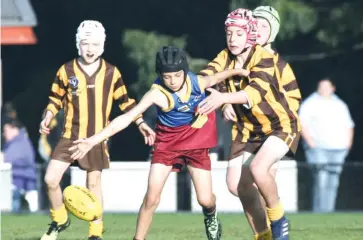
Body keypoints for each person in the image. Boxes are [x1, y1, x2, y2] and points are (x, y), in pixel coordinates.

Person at [69, 46, 249, 240]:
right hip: (166, 145)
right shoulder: (156, 94)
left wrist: (241, 71)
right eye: (167, 76)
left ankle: (211, 214)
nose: (172, 81)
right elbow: (127, 117)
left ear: (185, 72)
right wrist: (91, 141)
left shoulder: (197, 82)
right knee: (151, 198)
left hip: (195, 143)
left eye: (177, 75)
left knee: (205, 199)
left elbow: (219, 76)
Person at [39, 20, 155, 240]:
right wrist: (48, 115)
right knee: (50, 179)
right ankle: (60, 219)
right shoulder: (66, 70)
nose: (89, 49)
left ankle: (95, 233)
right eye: (85, 43)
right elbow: (55, 98)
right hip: (69, 136)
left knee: (93, 183)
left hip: (96, 138)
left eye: (94, 43)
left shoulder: (111, 72)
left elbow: (126, 102)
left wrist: (140, 123)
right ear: (78, 44)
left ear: (102, 45)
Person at [198, 8, 301, 240]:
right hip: (247, 130)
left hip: (279, 125)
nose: (233, 39)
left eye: (239, 33)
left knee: (259, 170)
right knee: (238, 186)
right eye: (229, 33)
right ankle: (263, 236)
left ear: (250, 35)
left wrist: (223, 98)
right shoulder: (225, 56)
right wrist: (205, 88)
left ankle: (279, 220)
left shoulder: (265, 58)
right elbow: (205, 77)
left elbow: (253, 94)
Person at [299, 78, 354, 212]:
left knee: (333, 182)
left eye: (326, 86)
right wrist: (310, 143)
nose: (323, 89)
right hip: (318, 148)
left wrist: (348, 144)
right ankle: (319, 211)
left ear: (332, 88)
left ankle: (329, 211)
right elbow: (301, 123)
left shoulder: (340, 104)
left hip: (338, 149)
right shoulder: (310, 103)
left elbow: (349, 125)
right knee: (321, 181)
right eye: (321, 86)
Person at [3, 117, 38, 213]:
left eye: (6, 131)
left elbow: (6, 159)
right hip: (21, 180)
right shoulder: (19, 141)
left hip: (19, 181)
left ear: (14, 128)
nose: (4, 134)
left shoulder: (19, 142)